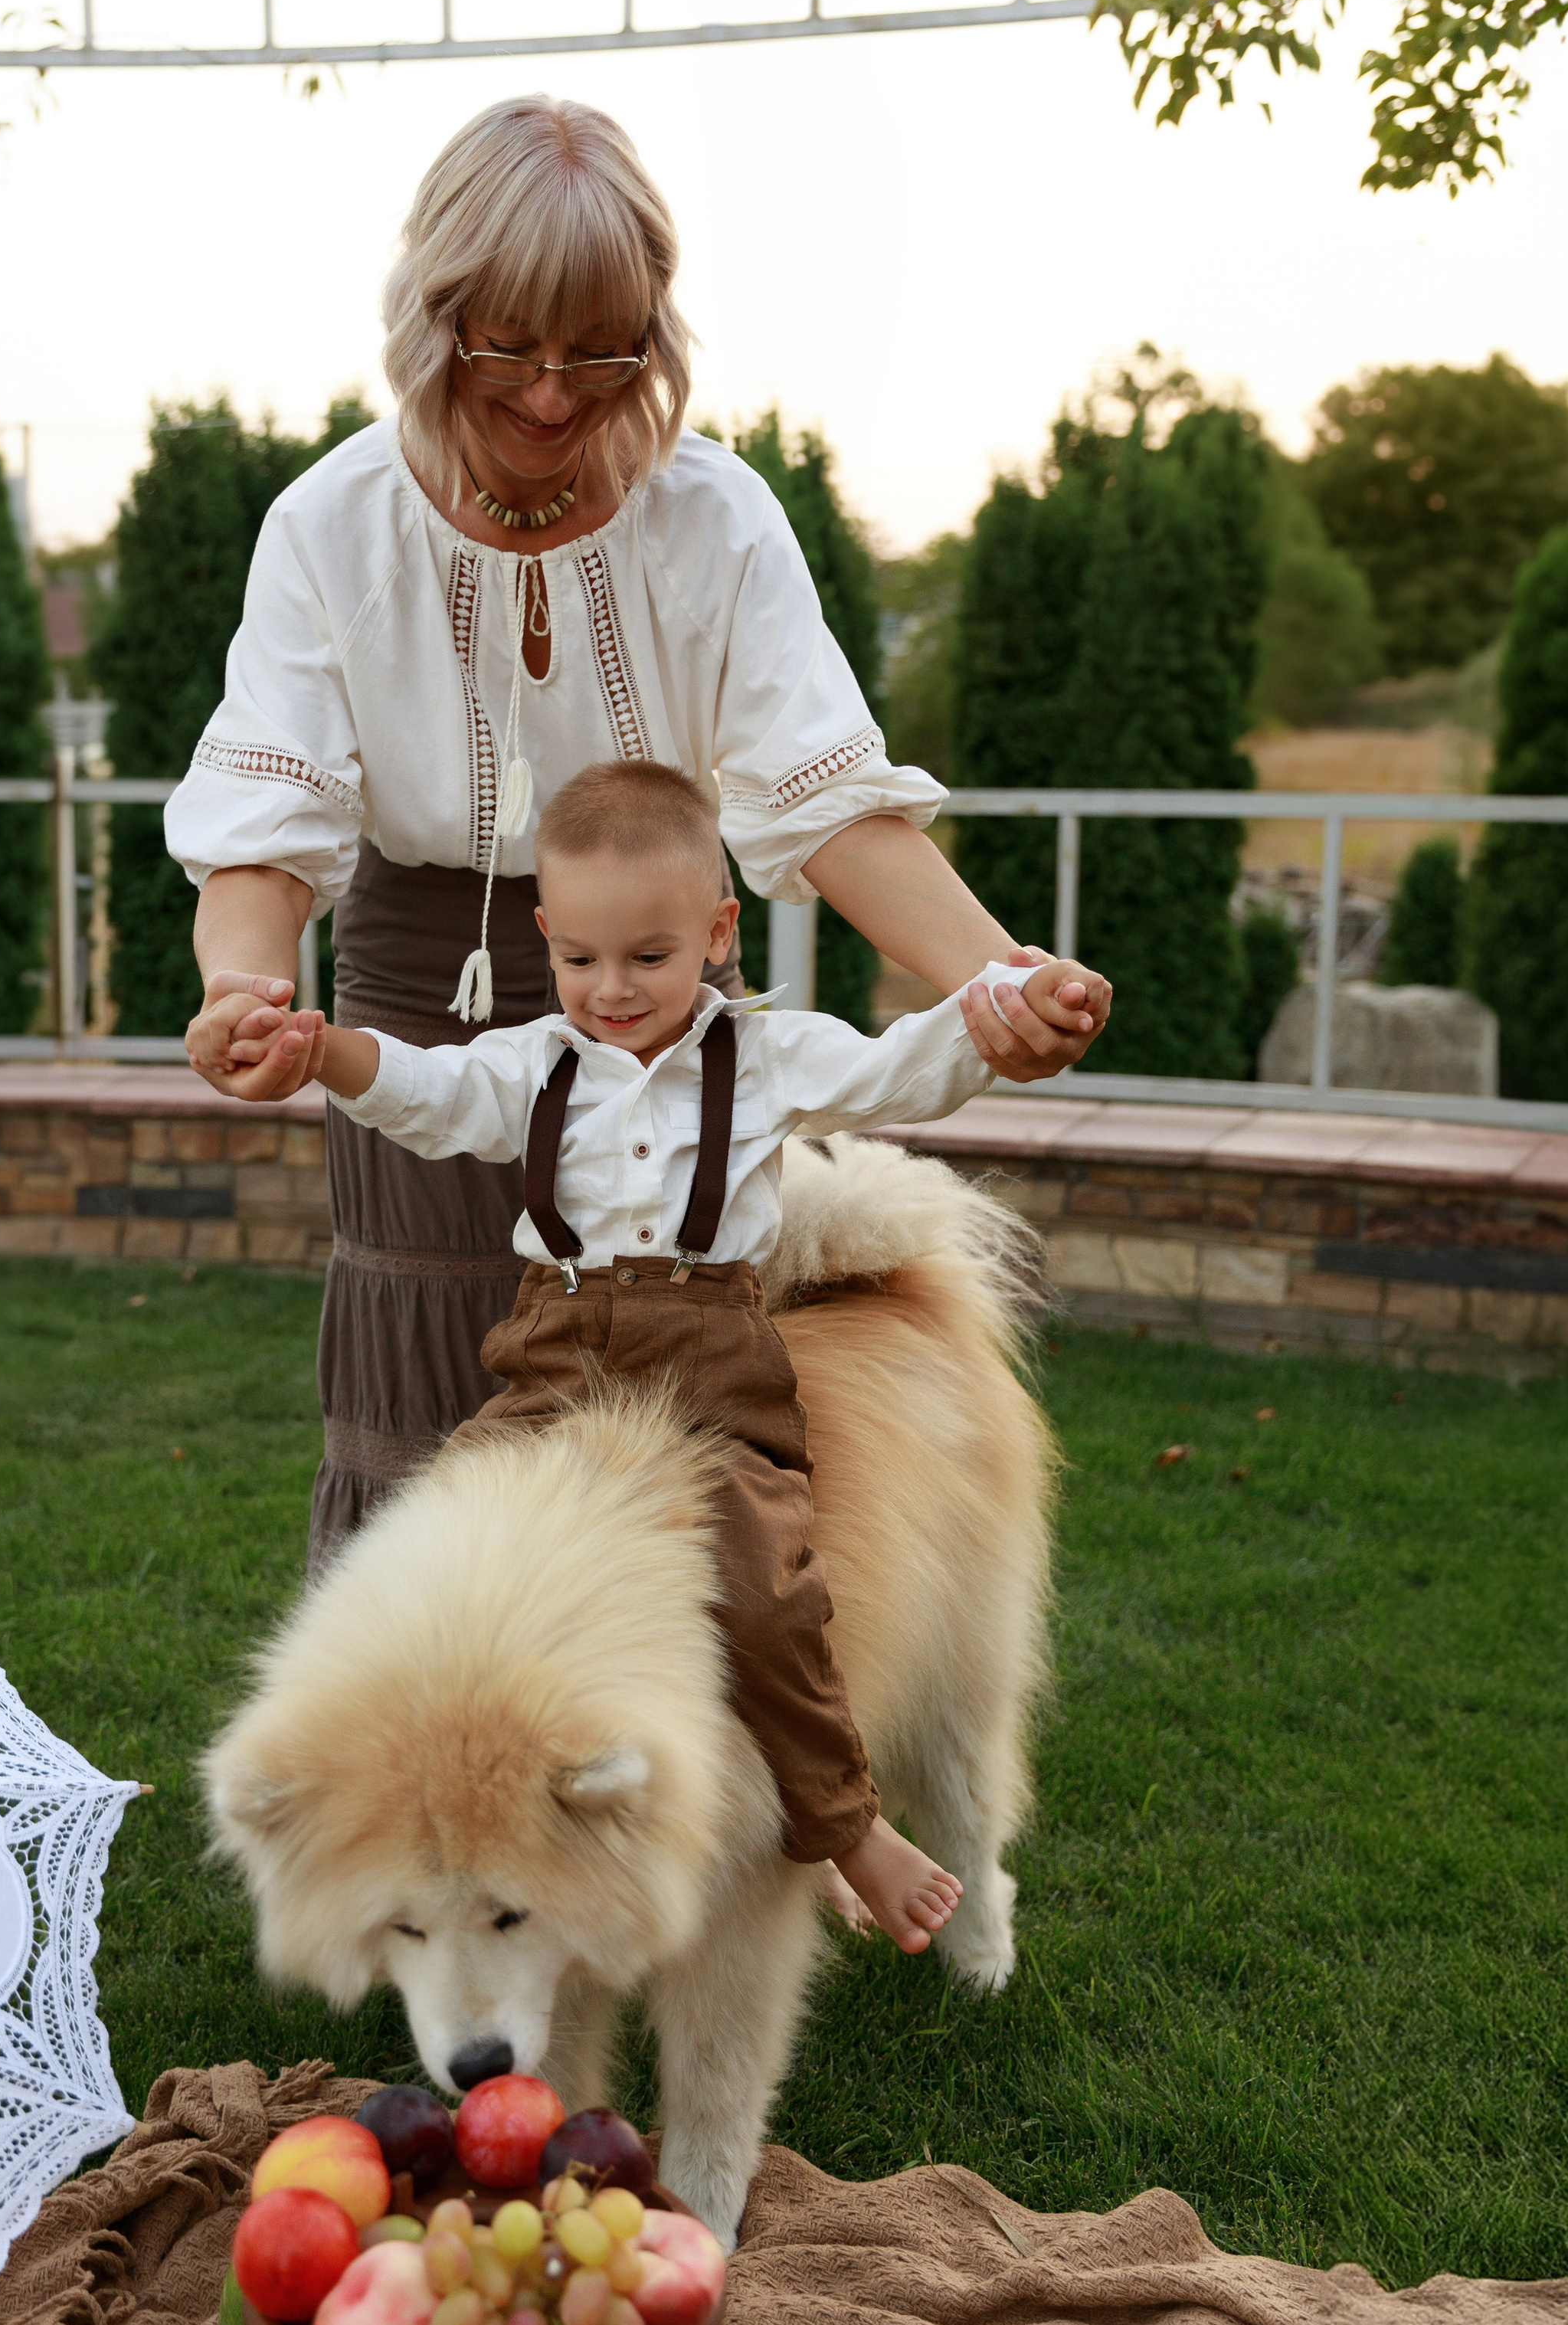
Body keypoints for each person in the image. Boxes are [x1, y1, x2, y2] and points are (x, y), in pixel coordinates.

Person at [169, 94, 1109, 1579]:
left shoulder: (714, 522)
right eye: (508, 346)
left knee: (673, 1424)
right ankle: (416, 1787)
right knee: (434, 1411)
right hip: (427, 994)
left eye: (597, 351)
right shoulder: (327, 526)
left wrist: (998, 981)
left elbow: (832, 808)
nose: (551, 394)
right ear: (433, 316)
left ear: (650, 337)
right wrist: (243, 986)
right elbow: (268, 827)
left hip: (662, 997)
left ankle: (656, 1790)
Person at [264, 758, 1065, 1953]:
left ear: (717, 929)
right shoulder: (534, 1064)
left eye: (649, 956)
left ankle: (849, 1825)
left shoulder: (767, 1056)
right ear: (545, 938)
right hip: (553, 1359)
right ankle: (439, 1799)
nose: (612, 987)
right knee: (436, 1530)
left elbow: (902, 1068)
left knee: (766, 1584)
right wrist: (324, 1049)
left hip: (710, 1372)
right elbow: (424, 1093)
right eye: (581, 958)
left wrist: (1001, 1008)